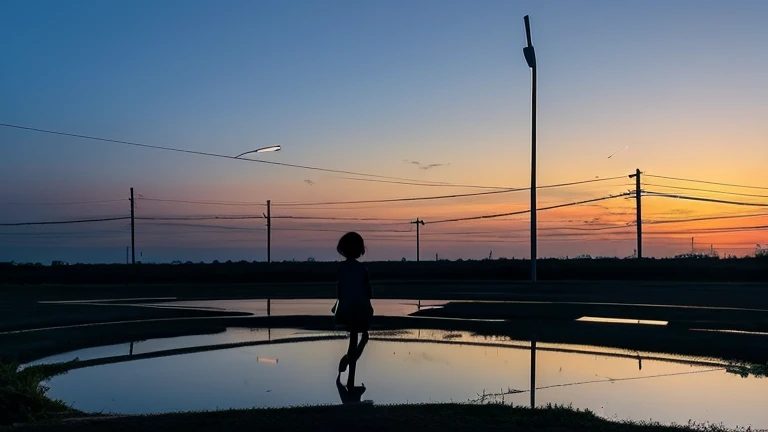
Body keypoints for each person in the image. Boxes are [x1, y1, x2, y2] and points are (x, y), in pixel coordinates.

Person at [333, 232, 373, 374]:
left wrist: (337, 307)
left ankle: (349, 362)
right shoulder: (363, 269)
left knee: (352, 341)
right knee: (357, 339)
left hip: (346, 310)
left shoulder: (342, 268)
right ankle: (351, 360)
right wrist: (369, 308)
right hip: (361, 309)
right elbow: (368, 292)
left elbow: (340, 292)